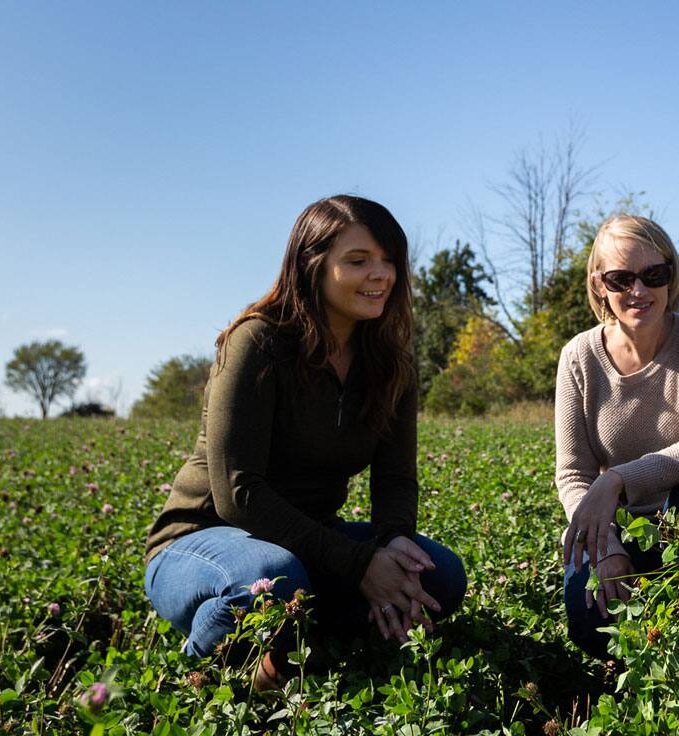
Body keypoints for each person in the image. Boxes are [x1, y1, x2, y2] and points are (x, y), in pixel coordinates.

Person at [143, 195, 467, 691]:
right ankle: (202, 673)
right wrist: (358, 564)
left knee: (439, 574)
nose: (379, 275)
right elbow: (238, 493)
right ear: (312, 265)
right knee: (273, 579)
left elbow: (396, 477)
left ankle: (299, 647)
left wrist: (393, 543)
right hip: (202, 541)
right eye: (358, 261)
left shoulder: (389, 362)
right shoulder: (257, 343)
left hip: (308, 541)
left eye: (389, 261)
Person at [554, 214, 679, 659]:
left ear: (671, 274)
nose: (639, 291)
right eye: (622, 279)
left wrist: (616, 479)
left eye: (654, 274)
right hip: (615, 523)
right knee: (589, 622)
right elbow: (573, 473)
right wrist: (608, 550)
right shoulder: (579, 356)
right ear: (600, 285)